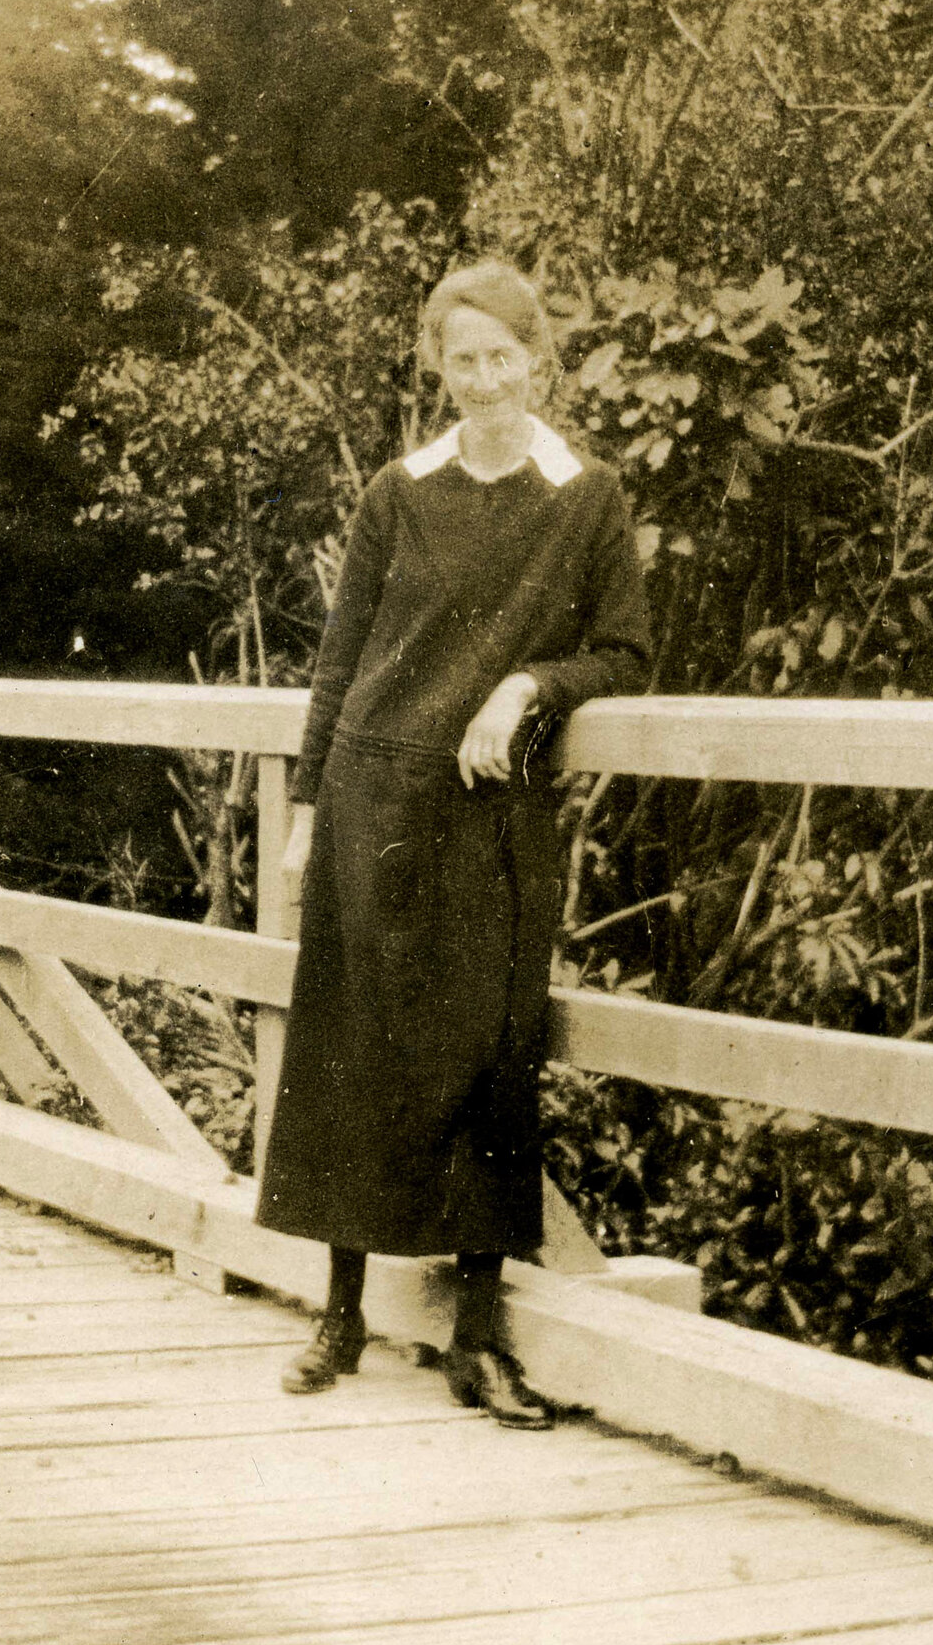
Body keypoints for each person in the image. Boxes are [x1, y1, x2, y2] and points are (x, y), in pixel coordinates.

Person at [255, 259, 652, 1425]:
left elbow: (625, 654)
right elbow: (339, 662)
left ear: (537, 360)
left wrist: (527, 684)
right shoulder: (399, 490)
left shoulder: (585, 495)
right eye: (461, 358)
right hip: (373, 800)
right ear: (437, 366)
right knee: (352, 1047)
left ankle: (478, 1343)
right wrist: (303, 818)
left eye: (502, 357)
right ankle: (337, 1316)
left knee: (490, 1061)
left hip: (495, 814)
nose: (483, 380)